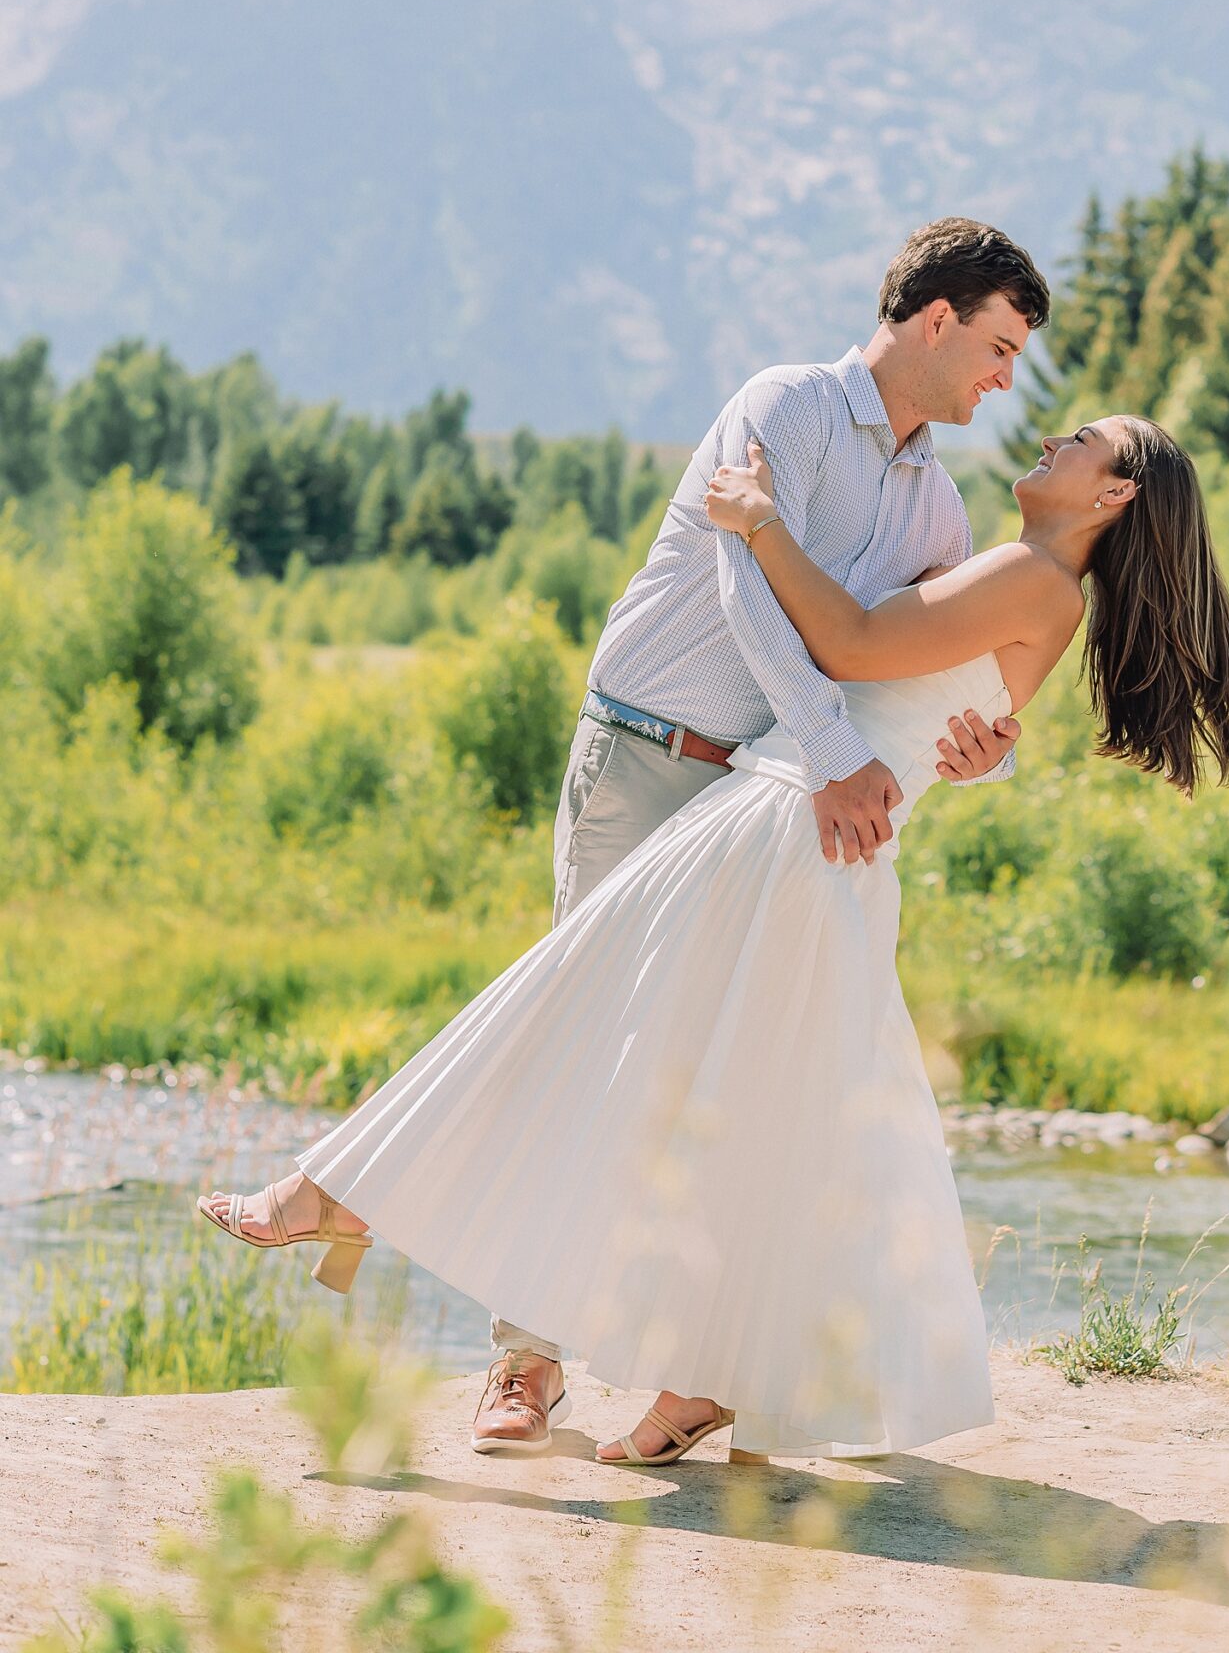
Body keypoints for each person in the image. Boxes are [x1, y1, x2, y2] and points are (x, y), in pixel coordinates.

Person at [197, 402, 1229, 1470]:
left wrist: (755, 523)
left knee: (573, 1011)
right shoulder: (1027, 580)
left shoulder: (1030, 577)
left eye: (1081, 442)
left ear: (1112, 493)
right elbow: (918, 699)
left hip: (786, 833)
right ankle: (702, 1375)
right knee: (756, 1108)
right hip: (800, 834)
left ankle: (345, 1195)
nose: (1052, 437)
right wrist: (983, 745)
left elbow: (852, 644)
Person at [202, 219, 1052, 1452]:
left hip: (764, 805)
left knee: (704, 1076)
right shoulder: (790, 409)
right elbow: (744, 587)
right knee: (575, 1038)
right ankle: (522, 1369)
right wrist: (831, 759)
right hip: (650, 752)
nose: (1002, 378)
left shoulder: (937, 503)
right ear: (934, 318)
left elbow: (905, 671)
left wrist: (986, 749)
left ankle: (678, 1354)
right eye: (996, 344)